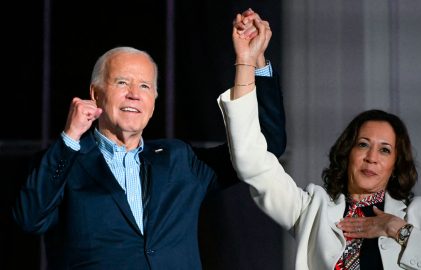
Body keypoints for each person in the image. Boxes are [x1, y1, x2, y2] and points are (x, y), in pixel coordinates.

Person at [12, 10, 285, 270]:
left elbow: (266, 147)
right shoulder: (64, 161)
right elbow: (29, 219)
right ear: (95, 94)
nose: (134, 94)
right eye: (122, 82)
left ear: (154, 101)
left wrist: (254, 62)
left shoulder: (180, 160)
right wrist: (71, 137)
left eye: (144, 86)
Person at [217, 13, 421, 270]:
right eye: (363, 144)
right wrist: (247, 62)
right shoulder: (312, 209)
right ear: (348, 153)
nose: (372, 157)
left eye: (385, 150)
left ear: (395, 165)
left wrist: (397, 229)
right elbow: (252, 161)